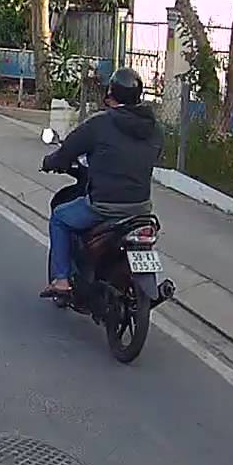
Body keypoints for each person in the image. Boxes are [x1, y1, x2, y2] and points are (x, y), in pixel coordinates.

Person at [39, 67, 163, 297]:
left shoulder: (100, 124)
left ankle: (61, 280)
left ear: (110, 94)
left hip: (104, 206)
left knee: (60, 218)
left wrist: (50, 162)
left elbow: (68, 150)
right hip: (141, 209)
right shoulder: (154, 128)